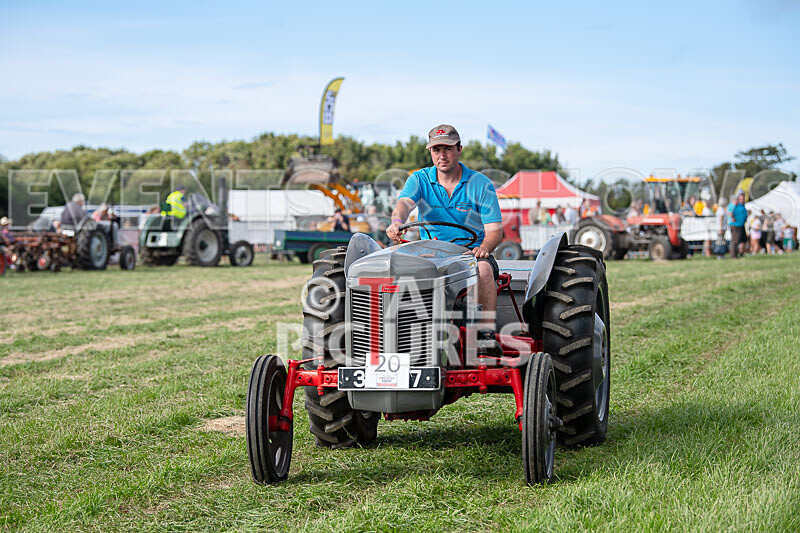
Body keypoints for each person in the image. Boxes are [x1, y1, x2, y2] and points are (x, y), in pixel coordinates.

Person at [386, 124, 503, 355]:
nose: (442, 155)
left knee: (484, 270)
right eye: (436, 149)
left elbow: (494, 231)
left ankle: (485, 336)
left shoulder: (480, 184)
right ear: (430, 151)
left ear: (459, 149)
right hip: (431, 253)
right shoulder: (419, 179)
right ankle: (400, 335)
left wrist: (484, 248)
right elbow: (404, 204)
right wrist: (397, 222)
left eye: (447, 148)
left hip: (469, 254)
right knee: (396, 270)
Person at [727, 192, 747, 258]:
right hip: (735, 225)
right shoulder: (734, 205)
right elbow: (729, 212)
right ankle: (733, 256)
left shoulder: (741, 205)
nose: (742, 200)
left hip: (740, 225)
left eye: (743, 199)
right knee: (735, 241)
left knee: (738, 240)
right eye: (740, 199)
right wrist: (732, 217)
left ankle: (737, 254)